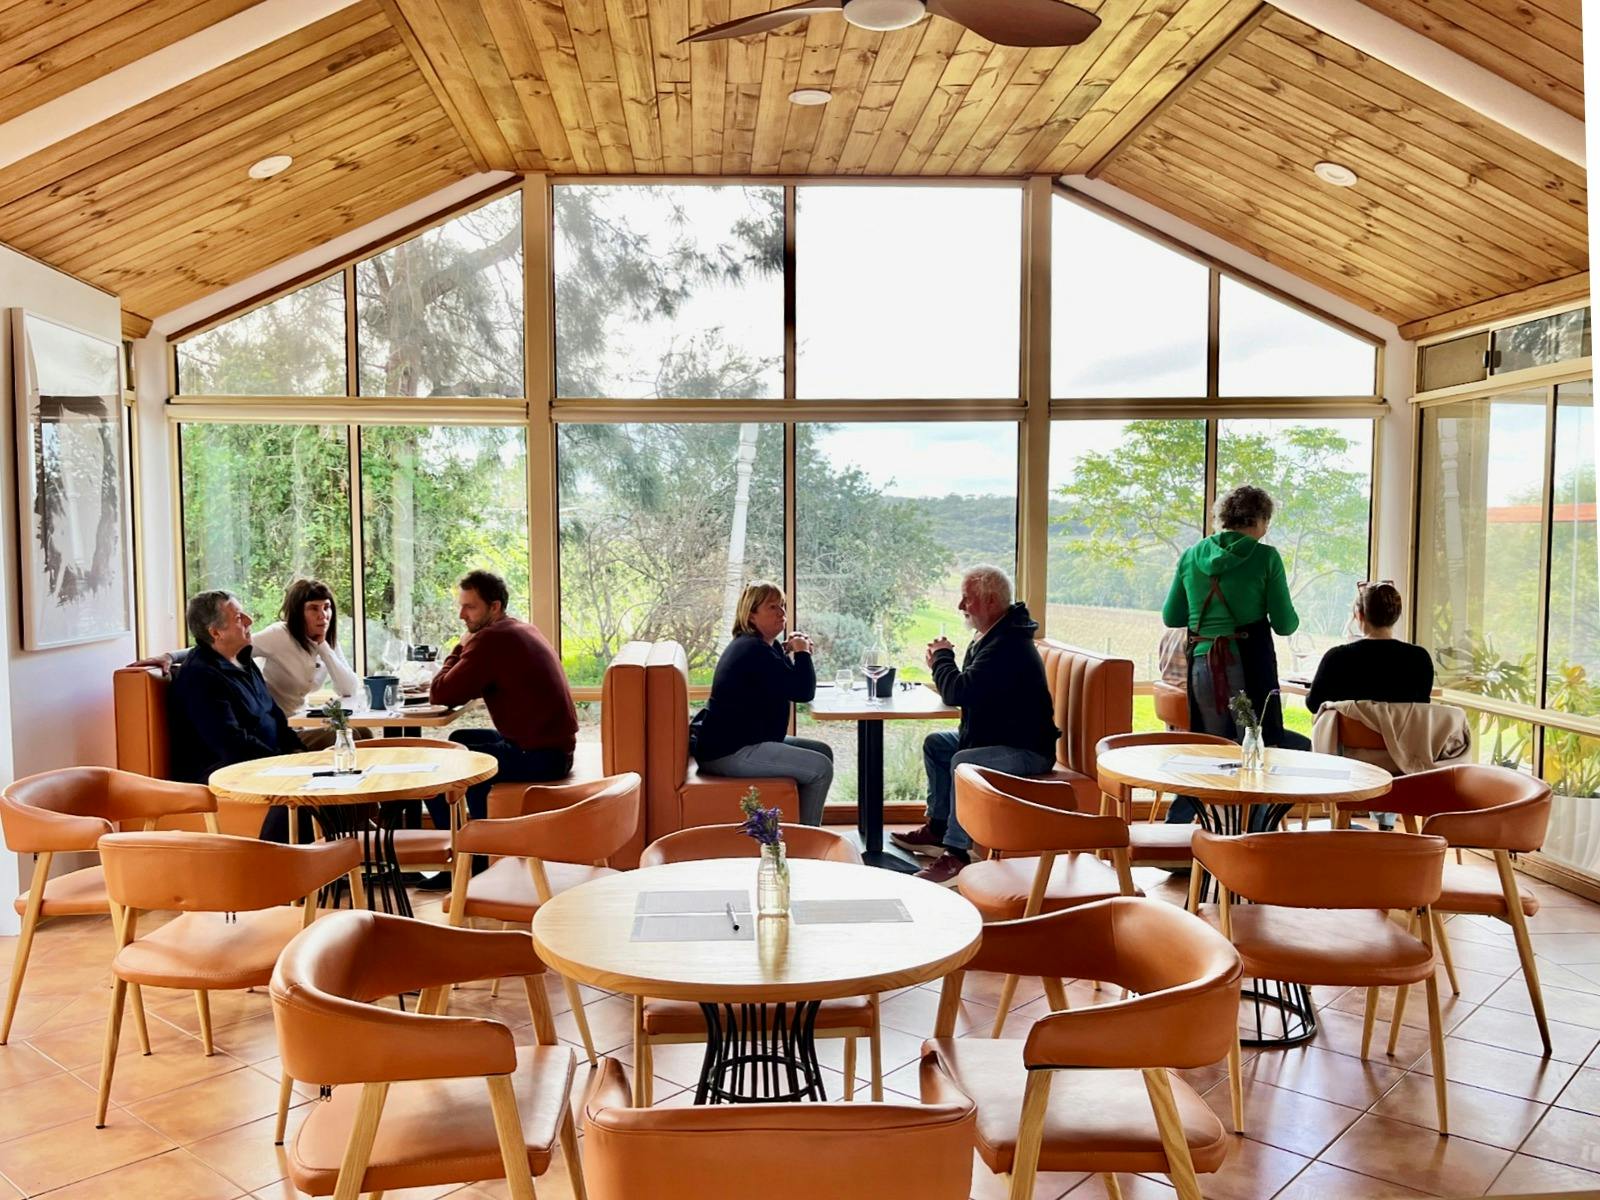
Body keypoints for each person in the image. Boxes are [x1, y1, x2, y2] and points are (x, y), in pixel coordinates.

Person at [892, 565, 1059, 886]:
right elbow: (967, 690)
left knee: (963, 760)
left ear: (992, 601)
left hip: (1026, 749)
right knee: (938, 744)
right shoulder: (993, 636)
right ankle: (939, 829)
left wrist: (941, 657)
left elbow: (957, 692)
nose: (960, 606)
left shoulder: (1008, 645)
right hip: (998, 738)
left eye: (966, 599)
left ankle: (957, 854)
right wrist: (944, 661)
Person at [1162, 485, 1299, 827]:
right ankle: (1251, 838)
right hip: (1249, 663)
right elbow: (1285, 624)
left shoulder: (1192, 555)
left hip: (1202, 665)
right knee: (1254, 752)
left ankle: (1191, 833)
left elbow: (1173, 617)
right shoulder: (1266, 557)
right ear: (1261, 520)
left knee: (1209, 753)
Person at [429, 569, 577, 826]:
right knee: (459, 741)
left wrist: (460, 647)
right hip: (556, 750)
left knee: (437, 766)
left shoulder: (491, 639)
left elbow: (441, 693)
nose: (461, 615)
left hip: (539, 758)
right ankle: (473, 835)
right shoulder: (519, 628)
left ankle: (462, 856)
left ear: (494, 606)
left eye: (470, 607)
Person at [167, 590, 306, 842]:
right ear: (215, 632)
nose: (249, 620)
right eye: (239, 617)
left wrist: (298, 752)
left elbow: (275, 716)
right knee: (303, 790)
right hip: (224, 769)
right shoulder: (200, 676)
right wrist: (282, 763)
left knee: (340, 756)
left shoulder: (244, 660)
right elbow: (231, 743)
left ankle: (355, 849)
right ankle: (291, 865)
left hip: (265, 757)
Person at [692, 583, 833, 825]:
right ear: (751, 614)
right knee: (820, 767)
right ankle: (808, 841)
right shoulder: (752, 650)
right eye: (772, 607)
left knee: (822, 751)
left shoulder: (765, 646)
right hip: (730, 751)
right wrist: (802, 654)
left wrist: (794, 653)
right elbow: (803, 691)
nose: (782, 612)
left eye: (783, 606)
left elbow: (791, 683)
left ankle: (797, 826)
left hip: (745, 741)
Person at [250, 578, 361, 749]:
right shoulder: (278, 635)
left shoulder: (327, 642)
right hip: (278, 730)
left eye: (326, 607)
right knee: (347, 735)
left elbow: (349, 689)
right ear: (297, 612)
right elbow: (234, 648)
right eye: (313, 608)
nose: (323, 615)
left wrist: (323, 648)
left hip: (302, 722)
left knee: (362, 733)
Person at [1307, 581, 1434, 713]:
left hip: (1348, 734)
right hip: (1403, 734)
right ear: (1395, 616)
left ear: (1359, 615)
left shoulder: (1337, 658)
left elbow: (1314, 704)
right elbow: (1421, 709)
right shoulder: (1419, 659)